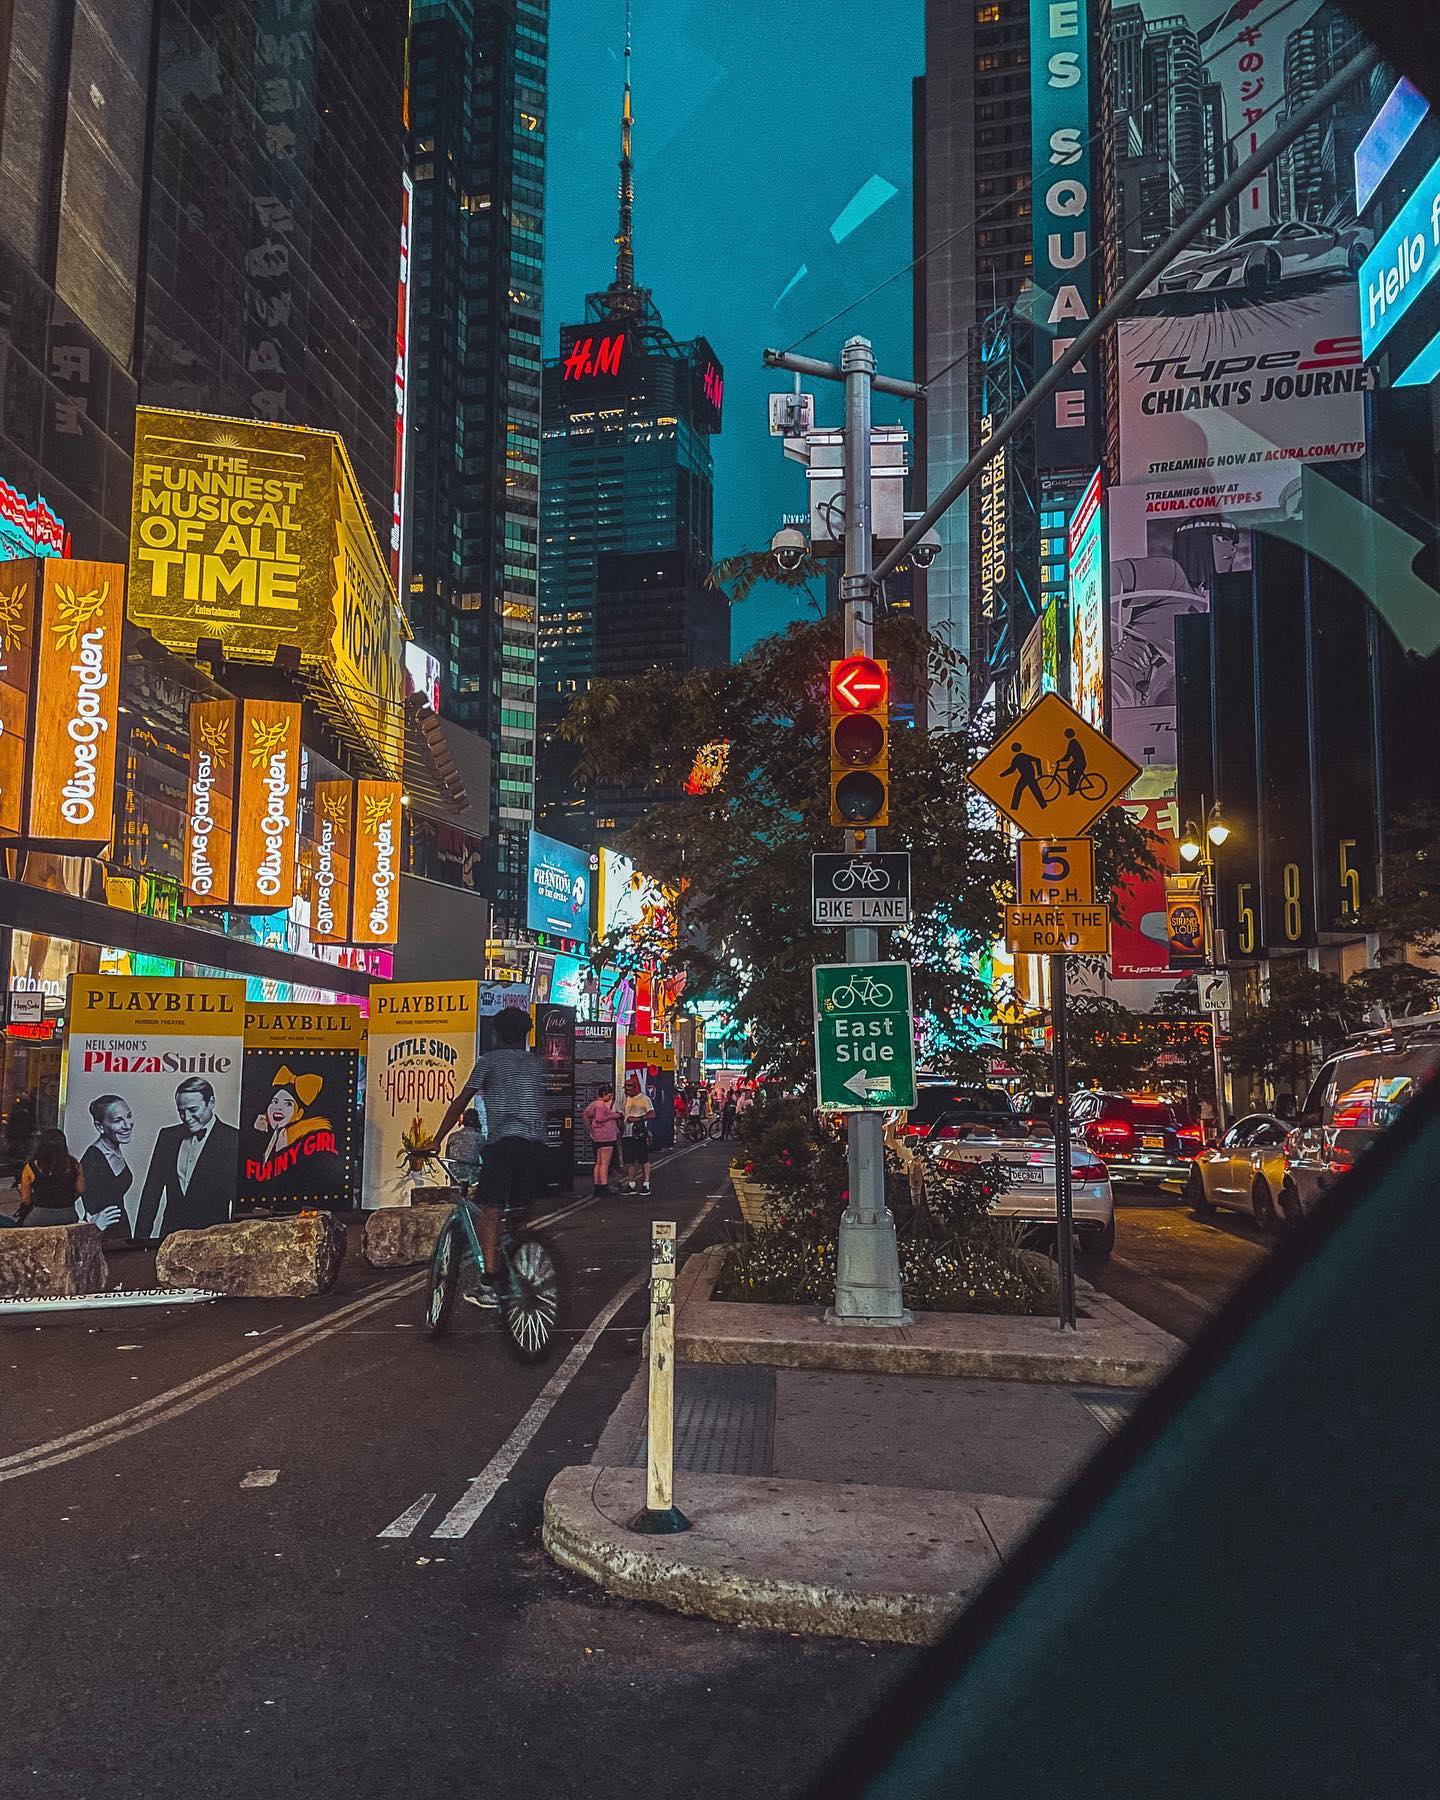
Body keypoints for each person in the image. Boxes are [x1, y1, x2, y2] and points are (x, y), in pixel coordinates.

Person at [430, 1006, 546, 1303]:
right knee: (518, 1212)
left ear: (495, 1034)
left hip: (503, 1143)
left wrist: (436, 1139)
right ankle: (517, 1261)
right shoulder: (535, 1063)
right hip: (534, 1146)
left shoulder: (489, 1061)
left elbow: (462, 1101)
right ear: (525, 1035)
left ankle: (489, 1282)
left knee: (489, 1209)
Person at [132, 1077, 240, 1242]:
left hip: (214, 1241)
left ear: (211, 1102)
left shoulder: (234, 1139)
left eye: (193, 1109)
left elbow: (237, 1200)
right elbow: (151, 1193)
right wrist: (139, 1241)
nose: (186, 1117)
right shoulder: (167, 1136)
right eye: (181, 1111)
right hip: (170, 1239)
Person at [79, 1095, 135, 1239]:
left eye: (128, 1116)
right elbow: (65, 1199)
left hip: (120, 1231)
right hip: (103, 1237)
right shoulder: (93, 1159)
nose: (127, 1125)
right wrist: (92, 1223)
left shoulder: (114, 1148)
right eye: (118, 1121)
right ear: (99, 1126)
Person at [18, 1130, 89, 1228]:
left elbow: (25, 1200)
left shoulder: (30, 1167)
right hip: (68, 1214)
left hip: (39, 1215)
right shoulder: (75, 1165)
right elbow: (80, 1190)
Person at [619, 1073, 655, 1195]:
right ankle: (631, 1183)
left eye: (629, 1088)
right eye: (626, 1088)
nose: (627, 1091)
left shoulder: (644, 1099)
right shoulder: (624, 1099)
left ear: (635, 1087)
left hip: (639, 1133)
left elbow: (652, 1114)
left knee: (644, 1159)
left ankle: (646, 1184)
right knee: (629, 1160)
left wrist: (637, 1118)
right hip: (626, 1134)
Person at [583, 1084, 620, 1195]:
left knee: (598, 1163)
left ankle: (597, 1186)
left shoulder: (594, 1104)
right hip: (606, 1137)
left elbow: (585, 1114)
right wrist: (613, 1116)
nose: (611, 1098)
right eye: (610, 1095)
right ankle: (604, 1186)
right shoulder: (600, 1105)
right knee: (604, 1163)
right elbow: (599, 1119)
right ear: (604, 1094)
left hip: (598, 1137)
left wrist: (590, 1130)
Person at [444, 1107, 485, 1195]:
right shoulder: (479, 1138)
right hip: (471, 1179)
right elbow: (486, 1158)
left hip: (454, 1177)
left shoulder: (452, 1136)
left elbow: (447, 1156)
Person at [1000, 741, 1046, 813]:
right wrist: (1002, 775)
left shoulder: (1020, 757)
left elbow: (1037, 760)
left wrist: (1040, 773)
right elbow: (1012, 769)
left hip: (1028, 775)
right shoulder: (1017, 758)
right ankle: (1043, 806)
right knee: (1033, 789)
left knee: (1021, 790)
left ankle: (1014, 808)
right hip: (1026, 776)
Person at [1056, 727, 1087, 795]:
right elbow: (1068, 756)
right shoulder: (1073, 742)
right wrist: (1061, 760)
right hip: (1078, 762)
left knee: (1070, 770)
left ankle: (1072, 789)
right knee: (1070, 770)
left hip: (1080, 762)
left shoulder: (1073, 743)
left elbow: (1068, 756)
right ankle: (1072, 788)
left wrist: (1060, 761)